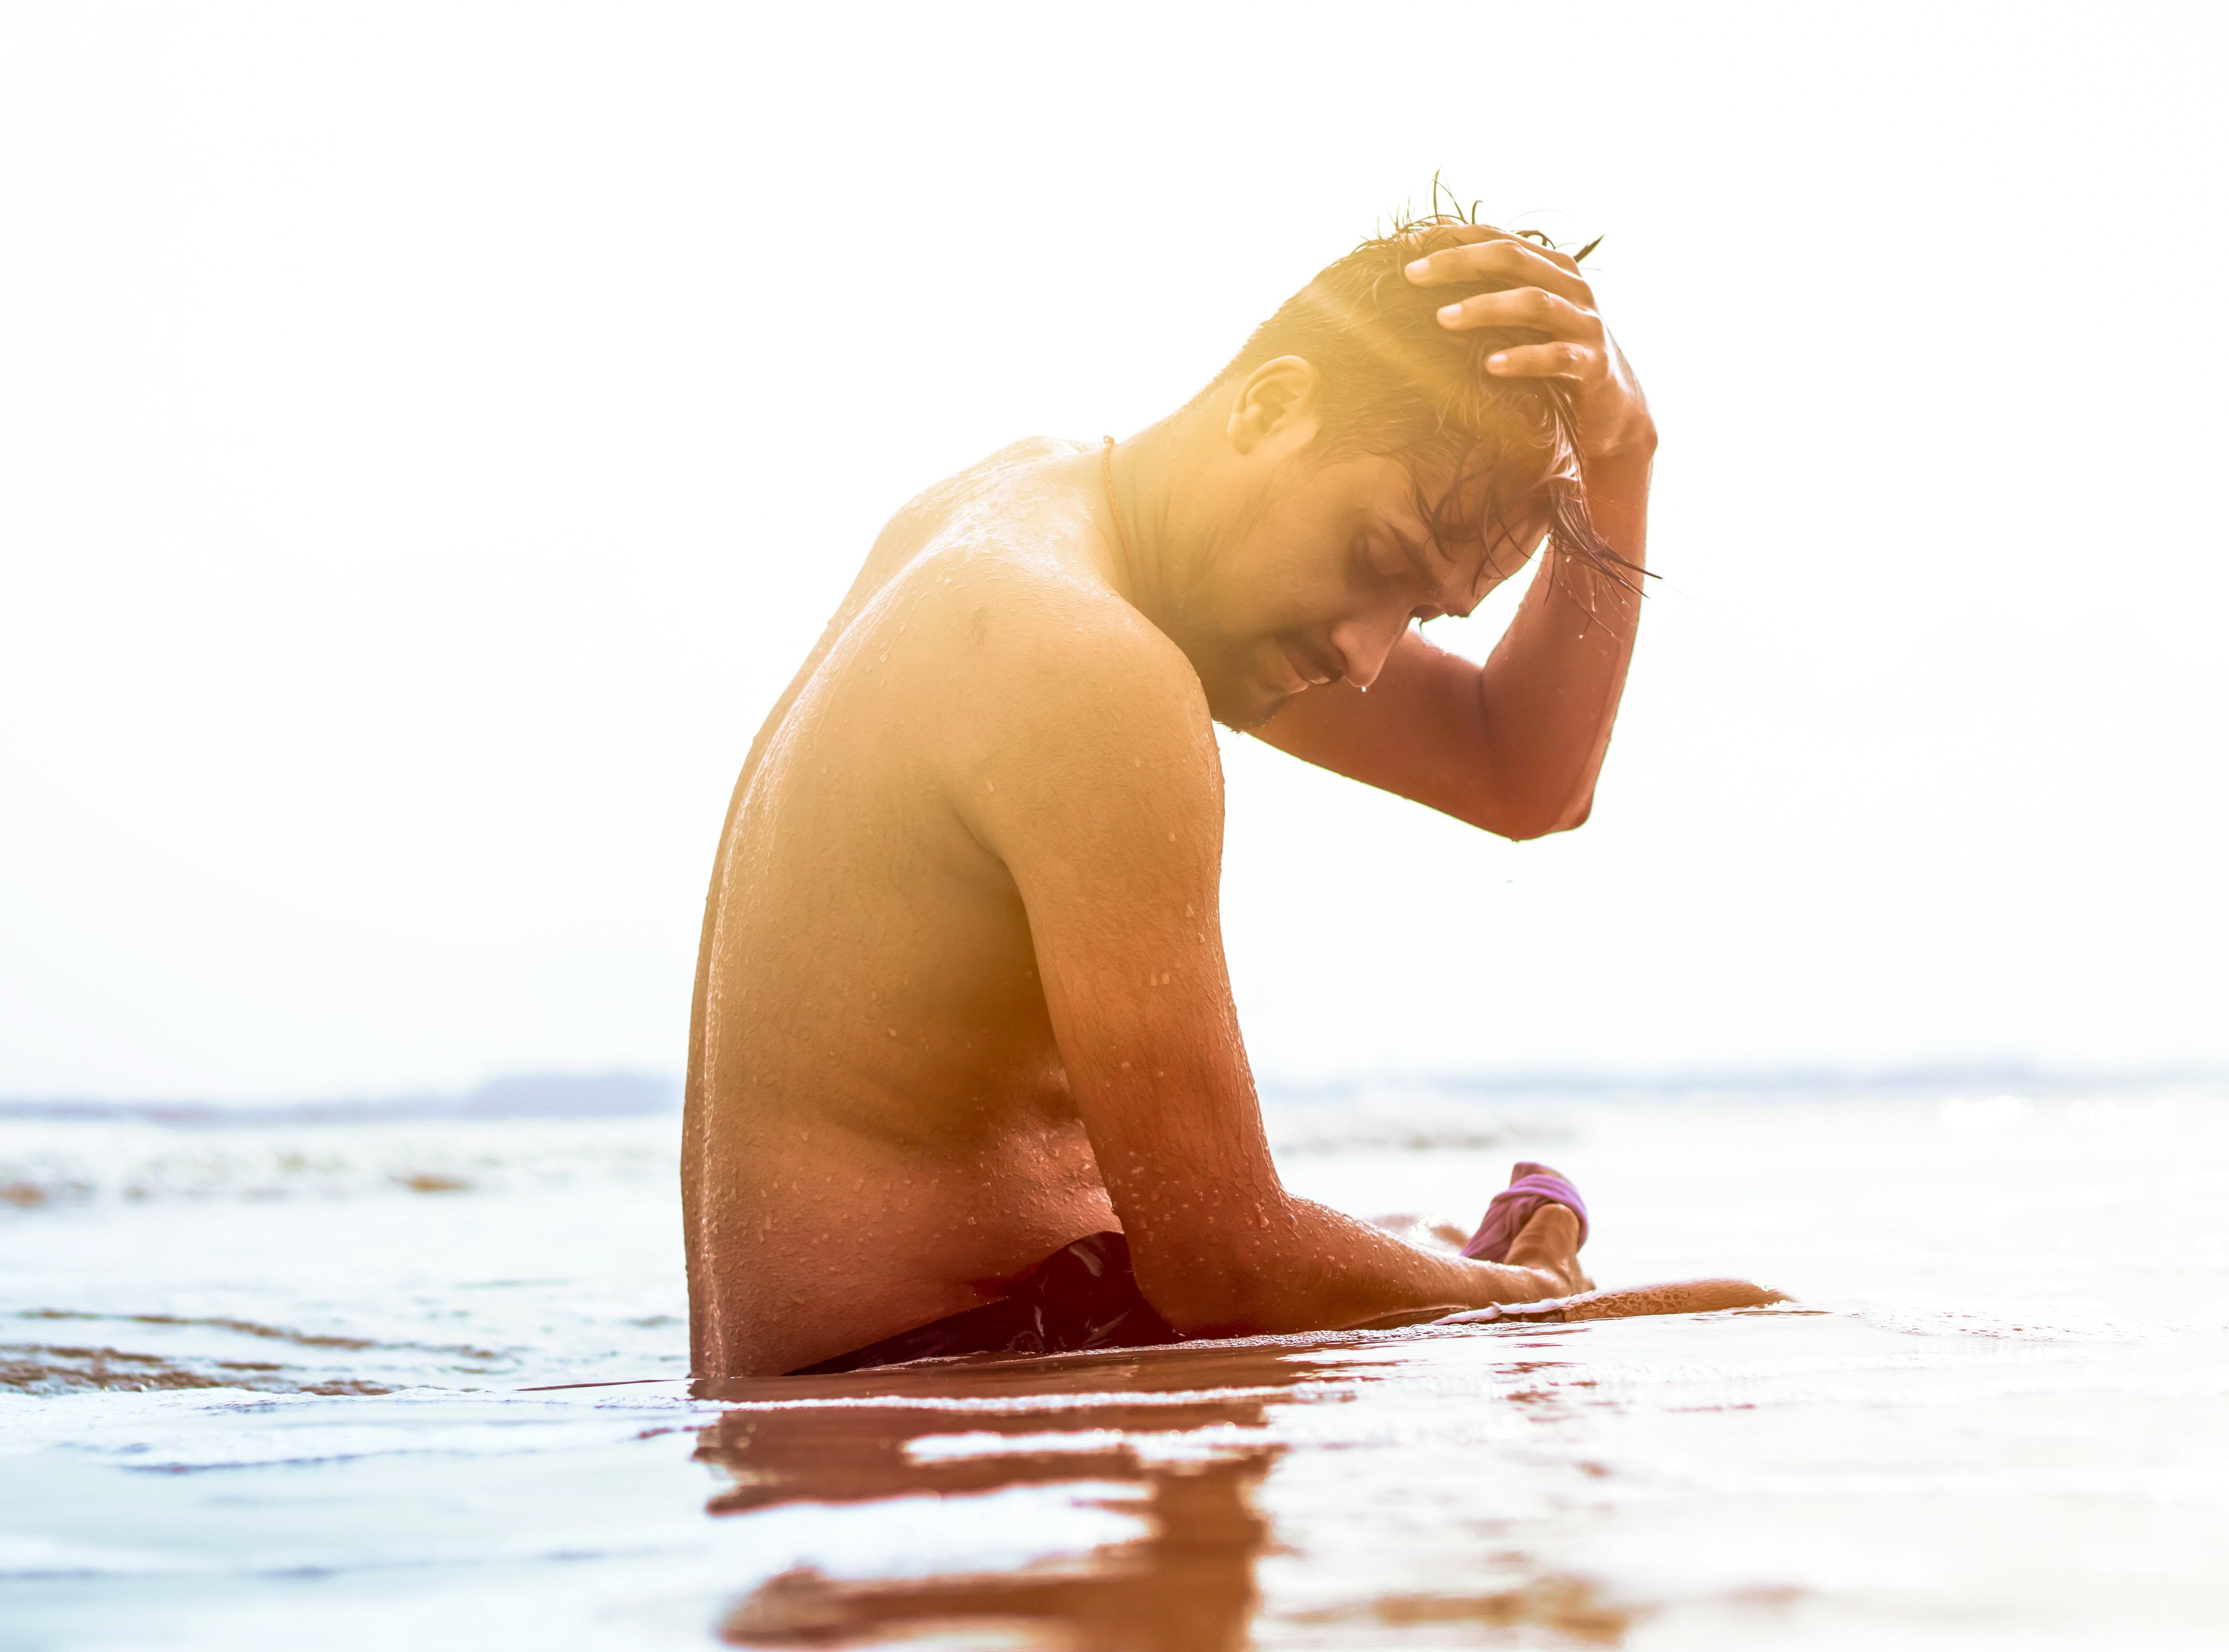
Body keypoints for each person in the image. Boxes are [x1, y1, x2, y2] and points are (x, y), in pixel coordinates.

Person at [683, 211, 1654, 1380]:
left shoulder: (1039, 526)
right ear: (1269, 407)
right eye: (1377, 559)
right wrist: (1527, 1300)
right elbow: (1228, 1269)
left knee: (1443, 1266)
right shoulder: (1078, 657)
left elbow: (1522, 774)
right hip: (947, 1426)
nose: (1365, 655)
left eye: (1421, 613)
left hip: (868, 1426)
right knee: (1726, 1318)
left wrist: (1625, 451)